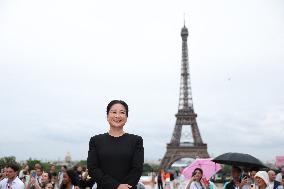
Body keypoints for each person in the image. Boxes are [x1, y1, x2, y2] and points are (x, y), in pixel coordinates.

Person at [87, 100, 144, 189]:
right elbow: (92, 168)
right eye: (114, 112)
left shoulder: (136, 140)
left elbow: (137, 169)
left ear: (126, 117)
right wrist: (116, 186)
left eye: (122, 112)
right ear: (107, 116)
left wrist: (124, 187)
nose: (117, 116)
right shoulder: (95, 140)